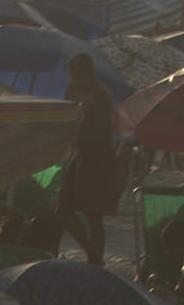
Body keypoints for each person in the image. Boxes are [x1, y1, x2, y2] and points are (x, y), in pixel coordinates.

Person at [58, 53, 122, 264]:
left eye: (79, 74)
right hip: (80, 155)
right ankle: (92, 254)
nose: (74, 78)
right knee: (64, 210)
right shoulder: (72, 89)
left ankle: (96, 259)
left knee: (93, 215)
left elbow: (102, 131)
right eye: (72, 74)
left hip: (98, 156)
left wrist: (78, 133)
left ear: (90, 73)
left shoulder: (101, 95)